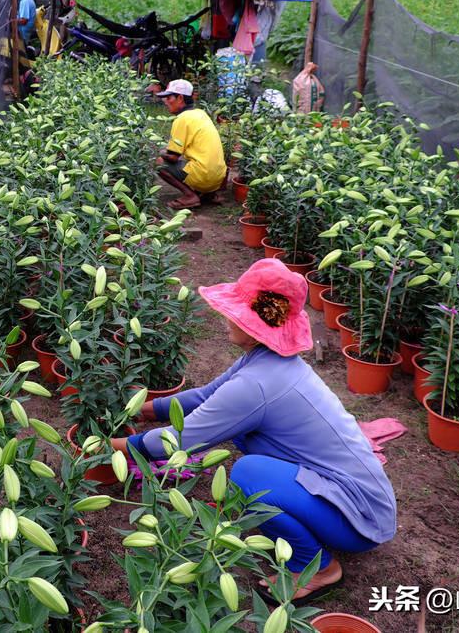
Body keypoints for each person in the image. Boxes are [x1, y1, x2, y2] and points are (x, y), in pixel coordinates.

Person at [110, 258, 398, 604]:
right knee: (253, 466)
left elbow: (182, 440)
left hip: (359, 517)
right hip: (348, 496)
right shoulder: (266, 359)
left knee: (248, 474)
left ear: (257, 326)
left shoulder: (258, 384)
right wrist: (143, 410)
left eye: (237, 313)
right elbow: (206, 396)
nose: (226, 317)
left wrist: (116, 446)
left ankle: (319, 568)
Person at [154, 79, 227, 210]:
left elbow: (173, 157)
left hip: (203, 176)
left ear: (180, 98)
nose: (165, 102)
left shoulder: (182, 119)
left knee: (158, 162)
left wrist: (157, 152)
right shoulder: (200, 113)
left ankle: (190, 196)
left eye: (168, 97)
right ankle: (210, 193)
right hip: (218, 177)